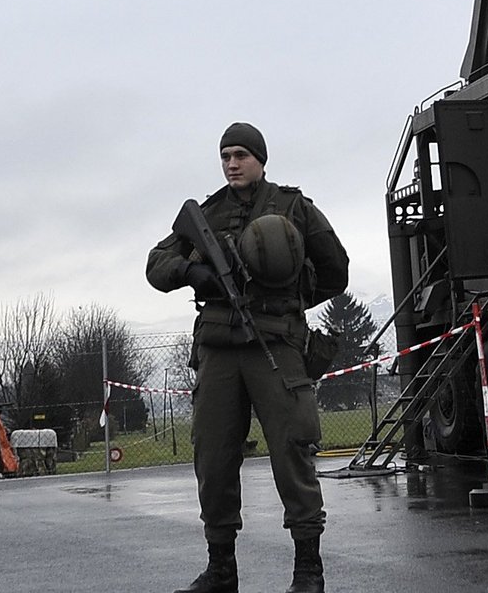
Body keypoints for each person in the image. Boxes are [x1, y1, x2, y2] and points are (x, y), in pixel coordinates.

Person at [146, 122, 350, 593]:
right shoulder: (208, 212)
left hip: (275, 347)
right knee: (213, 459)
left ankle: (308, 570)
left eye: (240, 155)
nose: (232, 164)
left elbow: (335, 271)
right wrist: (194, 272)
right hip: (218, 353)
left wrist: (288, 296)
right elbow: (156, 264)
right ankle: (221, 570)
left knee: (293, 454)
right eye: (225, 156)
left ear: (260, 158)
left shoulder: (294, 207)